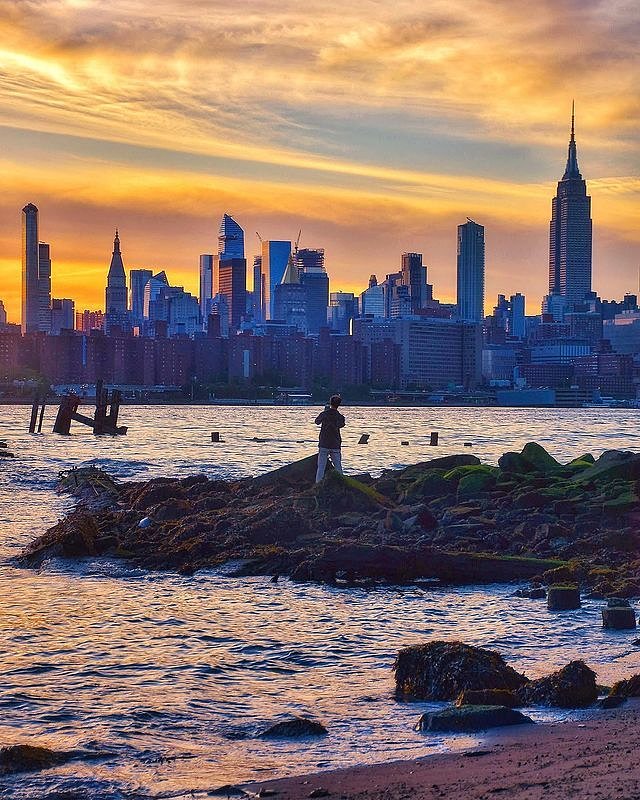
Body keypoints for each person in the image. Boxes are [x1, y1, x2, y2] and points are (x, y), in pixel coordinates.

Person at [314, 394, 345, 482]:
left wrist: (325, 413)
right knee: (338, 467)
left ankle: (318, 485)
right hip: (335, 444)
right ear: (339, 405)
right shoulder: (340, 417)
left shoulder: (324, 414)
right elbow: (341, 425)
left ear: (330, 403)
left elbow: (317, 422)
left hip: (324, 443)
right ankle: (341, 483)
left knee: (321, 467)